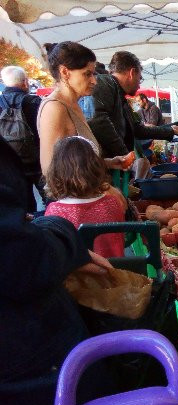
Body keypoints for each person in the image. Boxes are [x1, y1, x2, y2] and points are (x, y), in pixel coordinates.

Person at [0, 135, 113, 405]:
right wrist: (58, 234)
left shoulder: (56, 207)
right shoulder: (111, 201)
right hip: (26, 362)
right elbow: (21, 256)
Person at [37, 42, 131, 177]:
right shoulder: (54, 108)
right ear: (64, 72)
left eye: (93, 74)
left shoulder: (74, 104)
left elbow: (75, 163)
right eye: (87, 74)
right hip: (77, 197)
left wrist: (108, 163)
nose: (94, 81)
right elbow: (51, 171)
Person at [88, 51, 178, 179]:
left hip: (112, 168)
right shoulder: (105, 83)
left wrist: (169, 130)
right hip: (103, 170)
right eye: (140, 78)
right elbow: (99, 121)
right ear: (132, 72)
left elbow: (138, 129)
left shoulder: (120, 96)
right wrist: (125, 156)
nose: (139, 84)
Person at [45, 136, 126, 258]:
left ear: (56, 171)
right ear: (97, 168)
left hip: (78, 276)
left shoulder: (54, 212)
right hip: (114, 272)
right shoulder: (113, 203)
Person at [0, 65, 43, 211]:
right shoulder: (33, 101)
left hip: (11, 162)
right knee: (49, 198)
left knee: (24, 206)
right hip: (37, 161)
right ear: (25, 82)